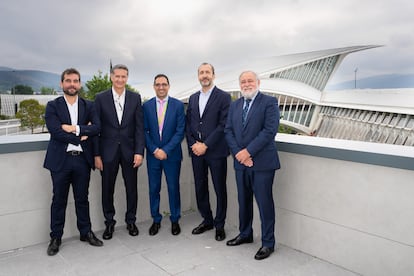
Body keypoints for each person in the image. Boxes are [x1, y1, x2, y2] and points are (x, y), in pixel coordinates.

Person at [44, 68, 103, 256]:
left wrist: (74, 128)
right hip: (60, 161)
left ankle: (86, 232)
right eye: (68, 81)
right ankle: (55, 237)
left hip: (81, 162)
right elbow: (55, 131)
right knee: (58, 200)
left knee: (82, 199)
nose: (72, 84)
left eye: (75, 81)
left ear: (80, 84)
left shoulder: (89, 105)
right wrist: (80, 136)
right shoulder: (53, 106)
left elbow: (96, 128)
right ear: (62, 84)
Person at [224, 71, 280, 260]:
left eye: (250, 81)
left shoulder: (269, 102)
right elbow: (228, 131)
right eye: (243, 81)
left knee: (264, 203)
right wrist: (240, 155)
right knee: (243, 200)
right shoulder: (235, 105)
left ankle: (268, 243)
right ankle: (245, 234)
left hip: (262, 163)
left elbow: (269, 130)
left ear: (258, 82)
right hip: (241, 164)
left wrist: (247, 152)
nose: (246, 84)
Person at [94, 64, 145, 240]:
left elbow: (139, 127)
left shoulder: (135, 98)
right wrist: (97, 155)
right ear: (111, 77)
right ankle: (109, 223)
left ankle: (131, 221)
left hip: (130, 153)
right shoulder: (100, 98)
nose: (120, 80)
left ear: (127, 78)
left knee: (132, 189)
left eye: (124, 76)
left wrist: (139, 152)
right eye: (117, 76)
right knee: (107, 190)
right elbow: (96, 129)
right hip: (107, 153)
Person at [186, 63, 231, 241]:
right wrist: (193, 144)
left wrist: (206, 144)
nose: (204, 75)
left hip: (216, 151)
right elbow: (188, 123)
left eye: (207, 72)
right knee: (200, 186)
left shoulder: (224, 97)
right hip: (196, 152)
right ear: (198, 76)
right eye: (201, 72)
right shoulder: (193, 97)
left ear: (213, 75)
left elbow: (224, 125)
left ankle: (220, 225)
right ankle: (207, 220)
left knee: (219, 188)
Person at [143, 74, 185, 236]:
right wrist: (154, 150)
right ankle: (156, 219)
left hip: (172, 155)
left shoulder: (178, 105)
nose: (161, 87)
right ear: (154, 86)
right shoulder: (146, 106)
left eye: (164, 84)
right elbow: (144, 131)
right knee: (154, 188)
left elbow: (180, 131)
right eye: (158, 84)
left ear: (169, 86)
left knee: (173, 188)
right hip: (153, 155)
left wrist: (166, 150)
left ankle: (175, 219)